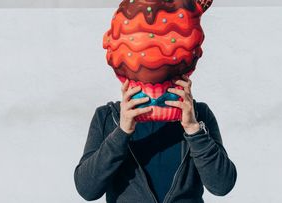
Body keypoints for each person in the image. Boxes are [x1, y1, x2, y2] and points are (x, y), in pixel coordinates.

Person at [74, 74, 237, 202]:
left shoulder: (200, 114)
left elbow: (222, 185)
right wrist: (122, 132)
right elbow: (87, 189)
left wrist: (193, 129)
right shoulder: (107, 117)